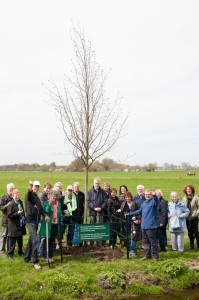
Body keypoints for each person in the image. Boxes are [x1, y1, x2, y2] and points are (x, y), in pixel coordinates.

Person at [24, 180, 50, 270]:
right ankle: (35, 261)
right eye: (35, 186)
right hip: (30, 221)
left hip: (36, 221)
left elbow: (40, 208)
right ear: (32, 187)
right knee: (35, 240)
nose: (36, 188)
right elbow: (28, 194)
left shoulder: (37, 197)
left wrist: (45, 215)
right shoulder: (29, 195)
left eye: (37, 186)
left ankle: (26, 258)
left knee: (32, 239)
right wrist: (30, 186)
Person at [129, 190, 159, 261]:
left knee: (153, 242)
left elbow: (157, 201)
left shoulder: (153, 202)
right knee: (146, 242)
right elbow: (139, 211)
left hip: (151, 226)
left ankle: (155, 257)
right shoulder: (144, 203)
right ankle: (147, 255)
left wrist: (154, 195)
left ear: (151, 195)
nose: (147, 195)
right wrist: (129, 214)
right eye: (146, 194)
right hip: (144, 226)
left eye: (149, 194)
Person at [39, 190, 62, 262]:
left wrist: (59, 213)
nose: (53, 198)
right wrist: (49, 204)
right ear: (49, 197)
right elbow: (47, 211)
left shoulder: (58, 203)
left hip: (55, 223)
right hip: (48, 224)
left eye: (54, 197)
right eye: (52, 197)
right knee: (47, 240)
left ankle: (51, 256)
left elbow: (60, 212)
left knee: (52, 240)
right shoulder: (46, 203)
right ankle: (46, 255)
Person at [88, 177, 107, 247]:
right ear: (93, 183)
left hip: (101, 212)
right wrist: (94, 208)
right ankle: (92, 244)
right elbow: (88, 202)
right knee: (92, 227)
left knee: (101, 227)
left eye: (98, 183)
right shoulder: (90, 192)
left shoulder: (103, 192)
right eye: (96, 183)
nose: (97, 184)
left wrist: (101, 208)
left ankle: (102, 243)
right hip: (93, 212)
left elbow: (105, 201)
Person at [7, 189, 26, 258]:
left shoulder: (20, 202)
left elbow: (23, 211)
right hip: (14, 226)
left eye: (18, 195)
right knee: (12, 241)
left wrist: (24, 217)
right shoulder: (11, 204)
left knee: (20, 240)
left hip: (20, 224)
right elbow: (9, 215)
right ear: (12, 196)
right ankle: (10, 254)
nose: (17, 197)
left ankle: (20, 252)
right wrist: (17, 213)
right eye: (15, 196)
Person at [183, 184, 199, 251]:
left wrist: (197, 213)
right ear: (185, 191)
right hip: (187, 218)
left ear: (192, 190)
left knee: (196, 232)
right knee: (189, 232)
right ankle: (191, 245)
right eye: (187, 189)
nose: (188, 190)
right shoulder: (184, 198)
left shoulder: (196, 197)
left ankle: (198, 246)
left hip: (194, 217)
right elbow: (182, 207)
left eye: (190, 189)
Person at [0, 183, 15, 254]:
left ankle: (8, 249)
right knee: (4, 235)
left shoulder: (15, 198)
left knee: (10, 235)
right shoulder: (3, 198)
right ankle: (1, 249)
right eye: (10, 189)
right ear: (7, 190)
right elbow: (1, 208)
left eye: (12, 189)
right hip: (5, 219)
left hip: (12, 220)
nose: (11, 191)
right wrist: (7, 206)